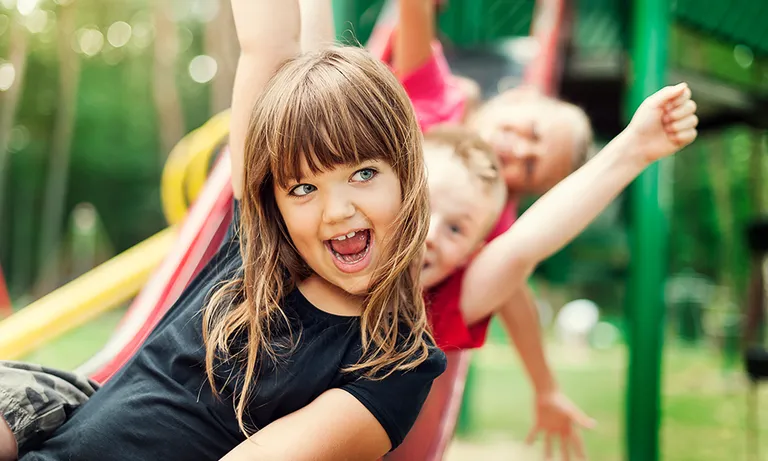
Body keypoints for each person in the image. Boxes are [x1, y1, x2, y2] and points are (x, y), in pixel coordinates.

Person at [0, 1, 447, 460]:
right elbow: (266, 41)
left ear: (407, 175)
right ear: (274, 201)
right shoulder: (255, 251)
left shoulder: (396, 365)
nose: (336, 210)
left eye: (364, 174)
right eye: (304, 188)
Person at [375, 1, 596, 459]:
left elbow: (516, 299)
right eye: (531, 131)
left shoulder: (493, 227)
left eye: (531, 168)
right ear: (516, 98)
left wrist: (545, 386)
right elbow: (414, 19)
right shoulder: (436, 101)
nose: (517, 149)